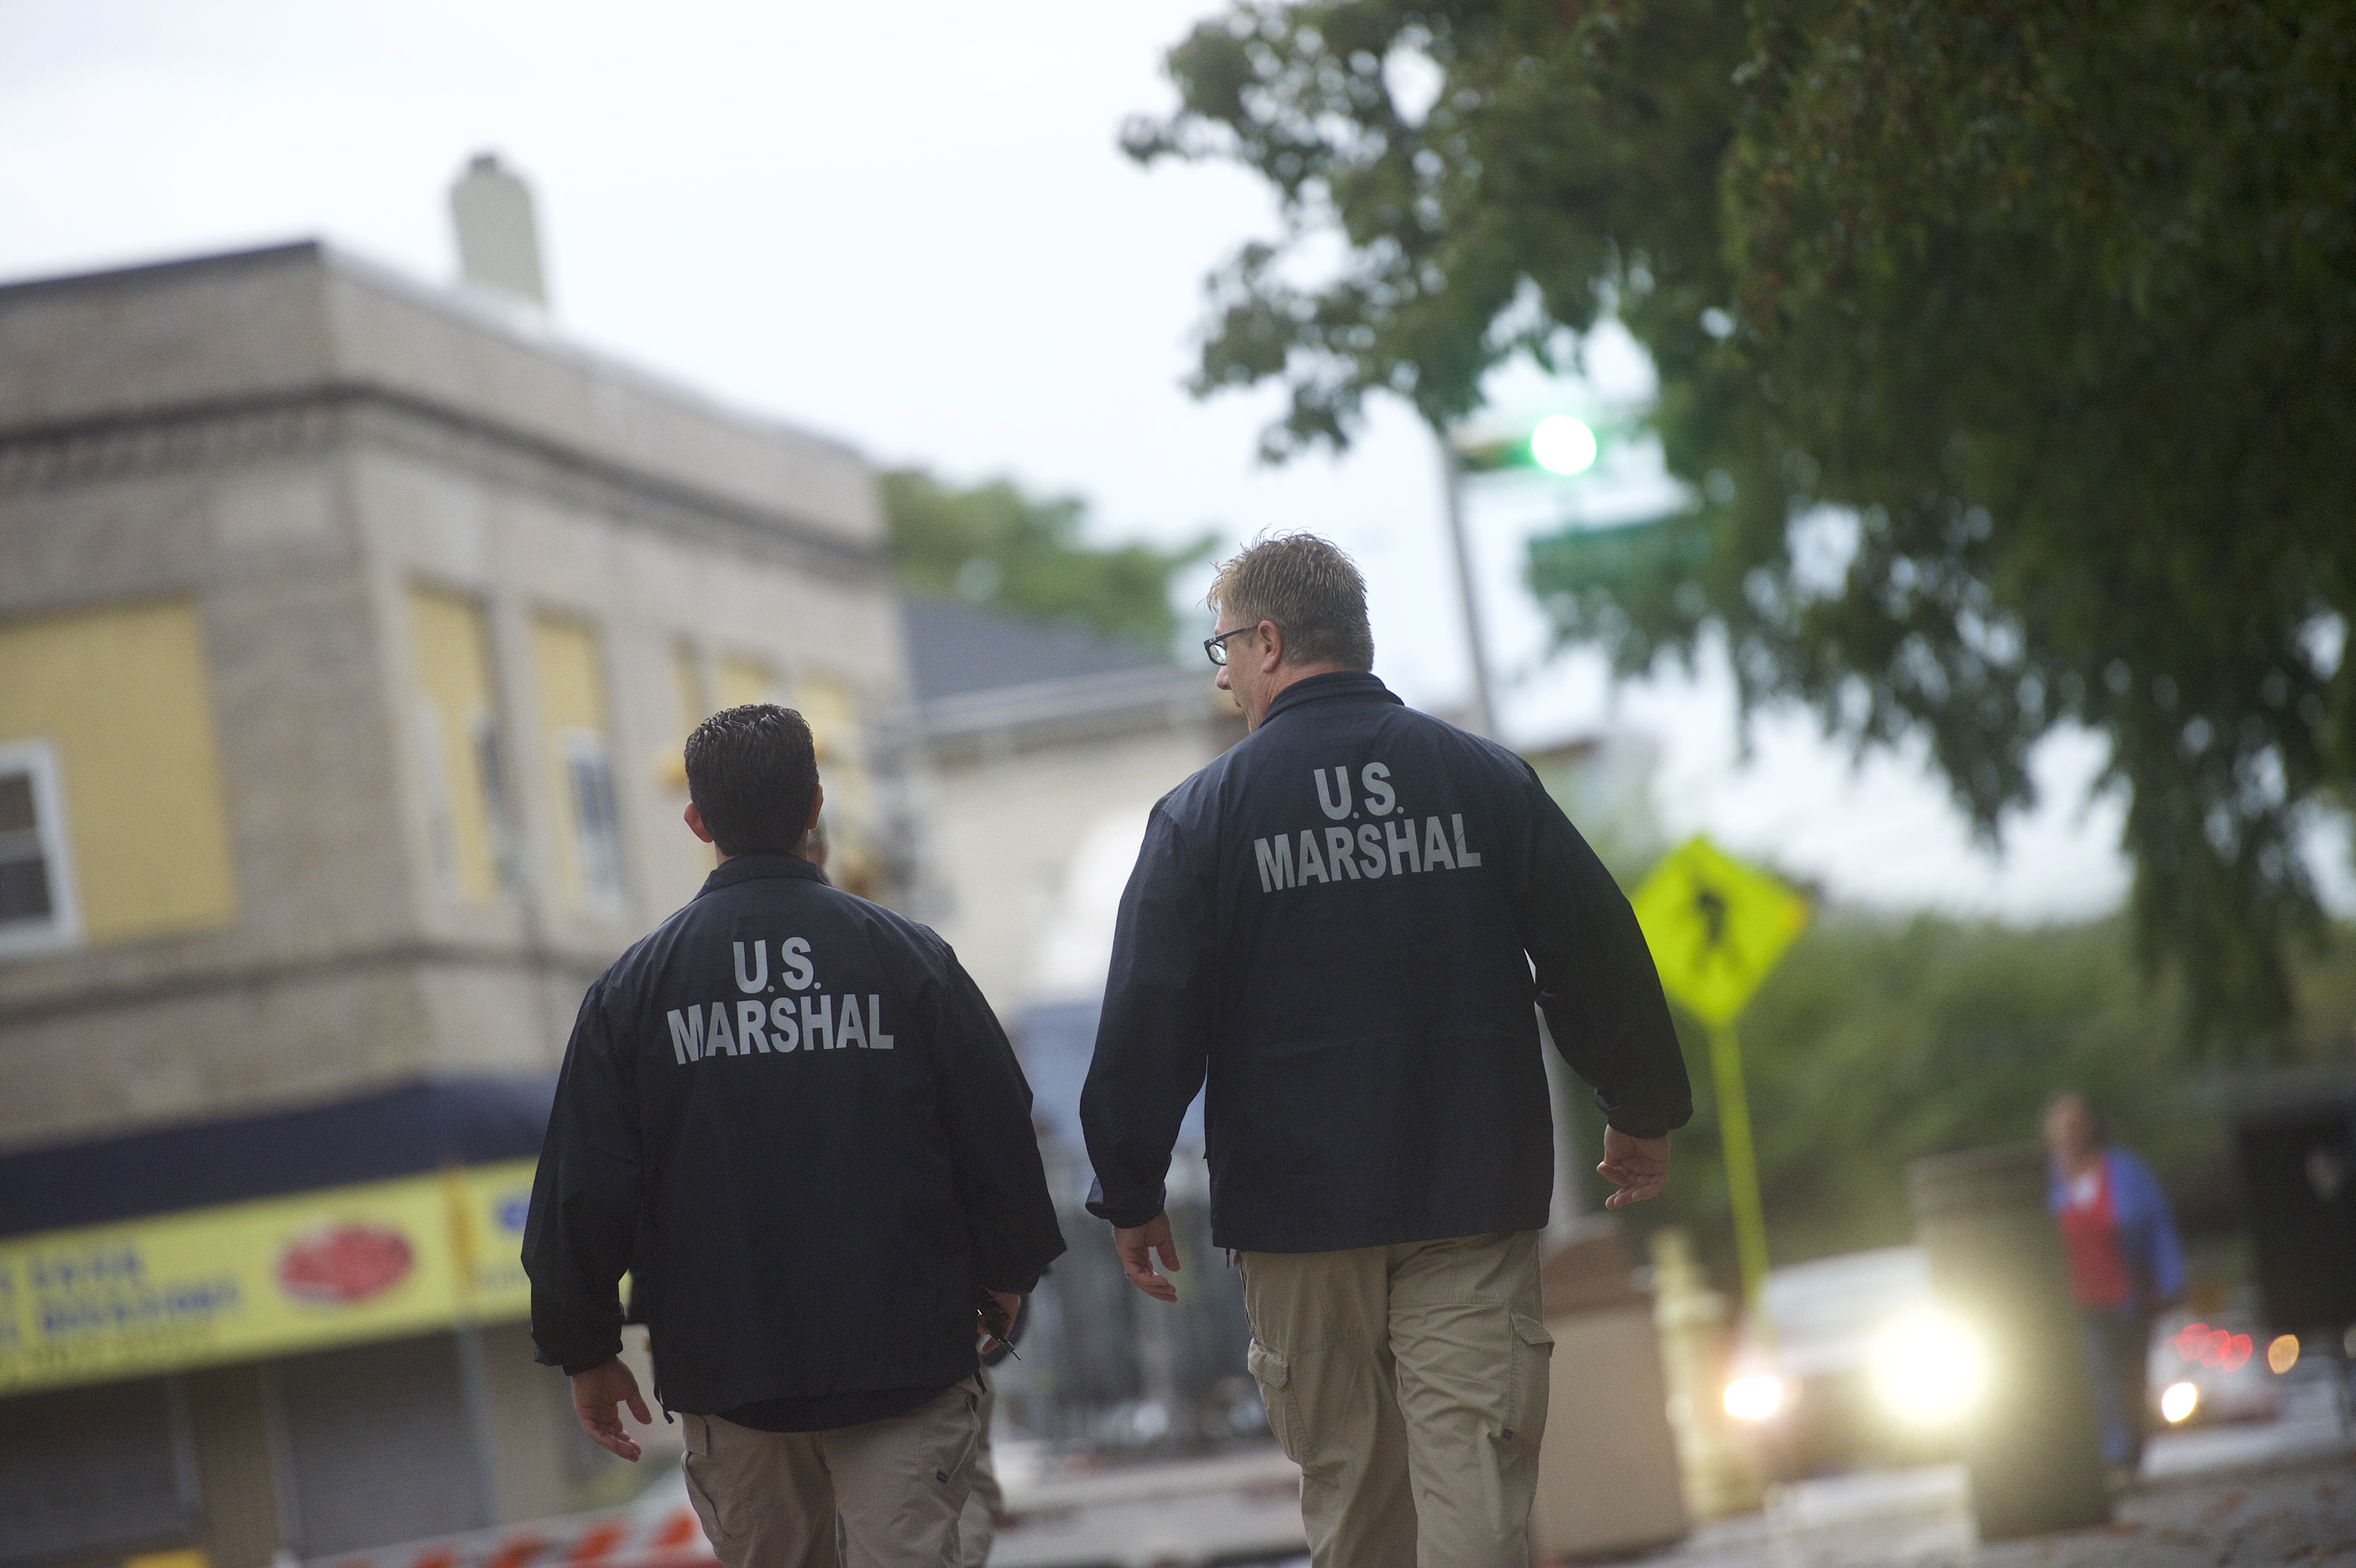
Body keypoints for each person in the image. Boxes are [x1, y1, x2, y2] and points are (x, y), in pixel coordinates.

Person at [1078, 535, 1693, 1568]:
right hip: (1470, 1193)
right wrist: (1638, 1105)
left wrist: (1130, 1185)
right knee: (1475, 1485)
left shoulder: (1201, 818)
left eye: (1224, 646)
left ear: (1269, 641)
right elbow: (1597, 945)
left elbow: (1150, 1009)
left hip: (1297, 1214)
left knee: (1354, 1498)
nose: (1222, 674)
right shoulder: (1486, 779)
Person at [524, 704, 1065, 1568]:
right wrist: (1005, 1270)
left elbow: (582, 1189)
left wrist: (583, 1345)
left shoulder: (632, 992)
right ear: (815, 806)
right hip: (908, 1361)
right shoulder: (908, 956)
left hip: (729, 1376)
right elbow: (998, 1128)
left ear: (698, 821)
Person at [2043, 1090, 2186, 1478]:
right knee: (2097, 1375)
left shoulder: (2124, 1170)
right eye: (2062, 1124)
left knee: (2131, 1379)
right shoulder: (2046, 1182)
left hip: (2129, 1295)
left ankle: (2133, 1451)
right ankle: (2114, 1456)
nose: (2070, 1132)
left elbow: (2157, 1224)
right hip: (2077, 1300)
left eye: (2077, 1122)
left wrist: (2172, 1278)